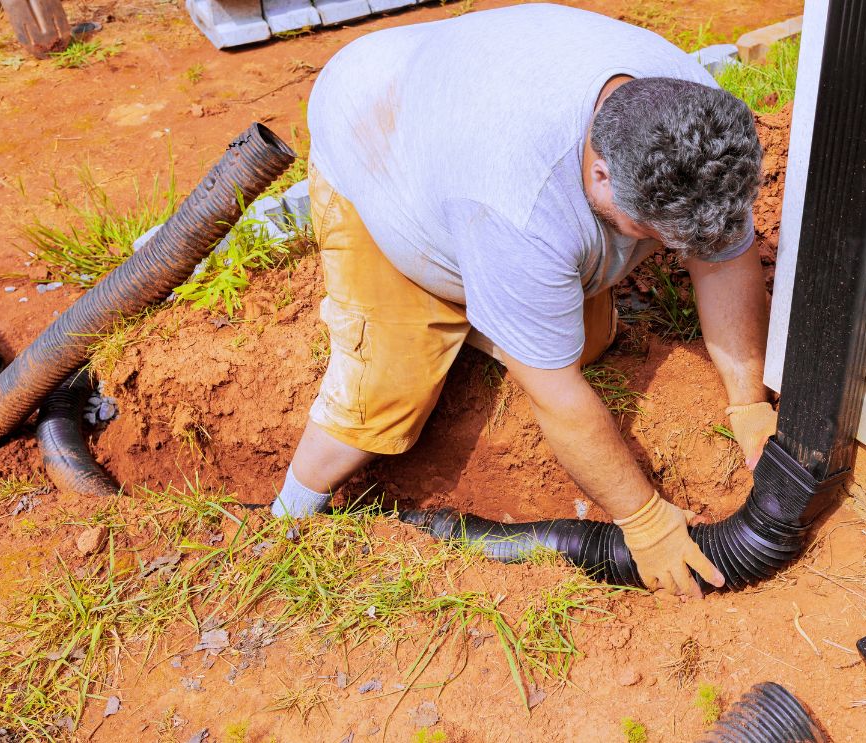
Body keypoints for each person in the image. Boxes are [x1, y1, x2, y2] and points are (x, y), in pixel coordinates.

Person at [270, 3, 778, 598]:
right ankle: (284, 520)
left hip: (458, 96)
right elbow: (557, 397)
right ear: (601, 173)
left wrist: (748, 403)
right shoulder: (519, 206)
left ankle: (497, 319)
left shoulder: (703, 127)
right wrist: (642, 521)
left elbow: (724, 258)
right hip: (378, 131)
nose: (671, 248)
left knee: (584, 341)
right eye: (654, 232)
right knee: (384, 389)